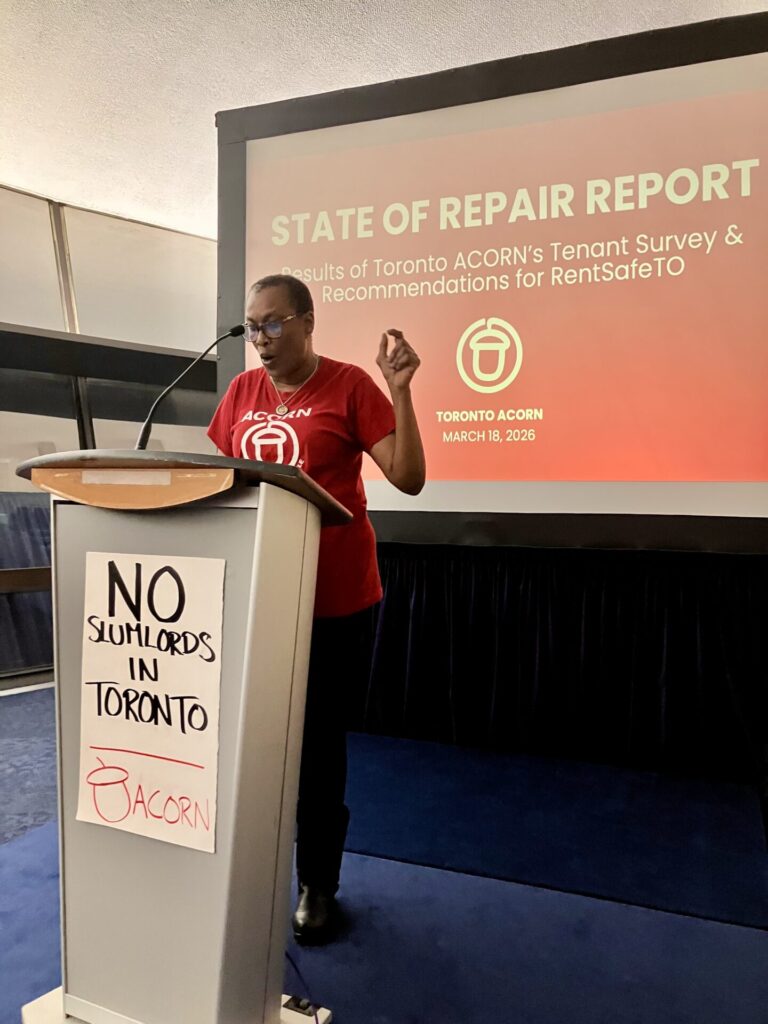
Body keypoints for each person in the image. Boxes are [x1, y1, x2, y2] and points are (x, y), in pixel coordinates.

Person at [207, 274, 425, 943]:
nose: (260, 338)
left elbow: (409, 478)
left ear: (307, 322)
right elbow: (214, 482)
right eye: (252, 326)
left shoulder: (350, 385)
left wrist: (399, 390)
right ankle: (243, 871)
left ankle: (317, 883)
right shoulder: (241, 393)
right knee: (251, 739)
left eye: (273, 323)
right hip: (257, 593)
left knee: (318, 748)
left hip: (334, 599)